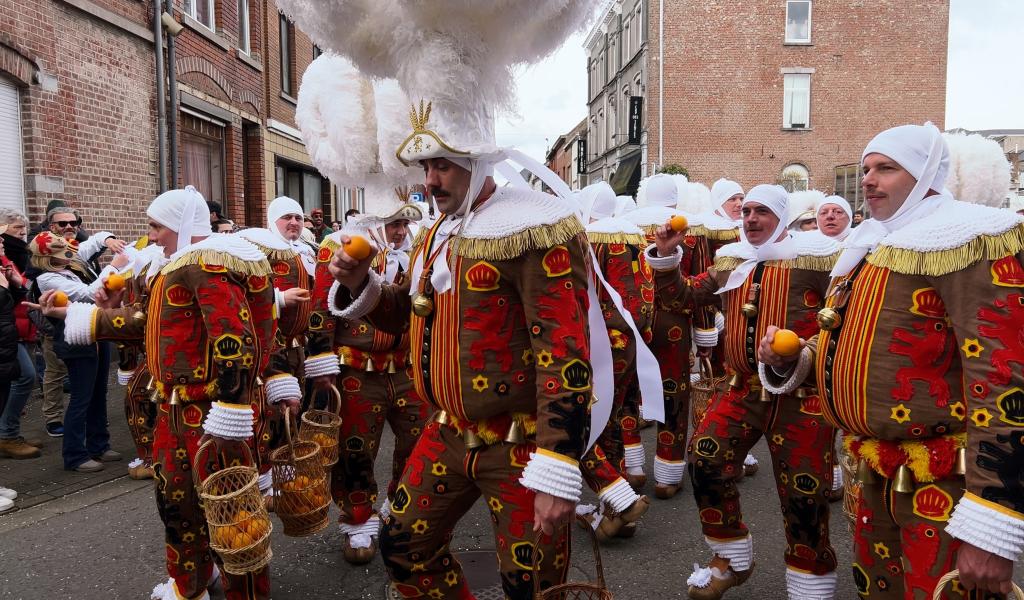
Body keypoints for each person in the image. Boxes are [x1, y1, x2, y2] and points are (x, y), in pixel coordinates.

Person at [328, 105, 593, 598]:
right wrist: (361, 283)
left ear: (479, 163)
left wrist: (559, 467)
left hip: (521, 445)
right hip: (448, 432)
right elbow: (408, 317)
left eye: (443, 165)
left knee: (531, 586)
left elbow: (565, 351)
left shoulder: (529, 229)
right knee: (403, 545)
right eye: (426, 168)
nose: (430, 180)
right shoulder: (436, 232)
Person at [760, 123, 1024, 598]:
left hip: (946, 481)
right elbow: (856, 342)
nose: (868, 179)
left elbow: (1005, 378)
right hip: (875, 471)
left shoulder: (966, 239)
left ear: (926, 176)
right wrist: (797, 359)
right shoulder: (872, 245)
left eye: (886, 168)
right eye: (865, 169)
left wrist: (993, 520)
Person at [42, 186, 277, 600]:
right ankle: (192, 583)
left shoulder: (207, 263)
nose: (151, 237)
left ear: (182, 225)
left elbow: (234, 340)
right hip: (175, 407)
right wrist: (74, 314)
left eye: (156, 226)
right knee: (177, 504)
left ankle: (247, 592)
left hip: (210, 412)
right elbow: (145, 321)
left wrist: (230, 410)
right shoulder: (180, 265)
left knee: (232, 513)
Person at [650, 184, 840, 599]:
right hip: (742, 390)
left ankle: (810, 578)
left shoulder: (820, 260)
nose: (750, 218)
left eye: (762, 212)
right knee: (705, 459)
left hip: (801, 399)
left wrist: (800, 354)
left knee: (804, 493)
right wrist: (666, 256)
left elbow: (841, 325)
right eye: (747, 210)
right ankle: (731, 557)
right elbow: (684, 298)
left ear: (782, 217)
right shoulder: (733, 259)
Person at [306, 191, 431, 564]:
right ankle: (358, 518)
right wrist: (322, 362)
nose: (400, 231)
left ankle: (398, 505)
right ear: (375, 222)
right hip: (358, 367)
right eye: (394, 223)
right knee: (356, 448)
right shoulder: (338, 248)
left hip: (408, 366)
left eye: (404, 223)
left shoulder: (418, 249)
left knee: (419, 440)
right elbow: (319, 308)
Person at [574, 182, 653, 540]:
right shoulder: (632, 236)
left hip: (599, 342)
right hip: (630, 339)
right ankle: (618, 510)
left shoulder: (587, 239)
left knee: (583, 423)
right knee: (613, 421)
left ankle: (619, 500)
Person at [235, 196, 313, 506]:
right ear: (273, 220)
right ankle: (264, 477)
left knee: (295, 411)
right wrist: (279, 299)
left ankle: (285, 470)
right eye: (287, 218)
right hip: (272, 346)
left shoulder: (305, 252)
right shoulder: (257, 248)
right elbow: (243, 297)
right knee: (271, 412)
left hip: (298, 347)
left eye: (298, 217)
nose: (294, 222)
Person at [31, 228, 129, 472]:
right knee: (81, 397)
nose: (70, 255)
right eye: (63, 252)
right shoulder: (47, 279)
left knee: (98, 393)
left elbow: (93, 241)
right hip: (75, 338)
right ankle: (74, 454)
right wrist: (113, 268)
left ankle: (99, 444)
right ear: (48, 259)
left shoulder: (68, 265)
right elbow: (87, 295)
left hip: (95, 331)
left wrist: (108, 240)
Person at [0, 214, 41, 460]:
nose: (3, 240)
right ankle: (7, 434)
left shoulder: (6, 260)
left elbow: (24, 287)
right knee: (26, 376)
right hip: (7, 333)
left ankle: (9, 432)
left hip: (14, 330)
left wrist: (15, 282)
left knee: (21, 377)